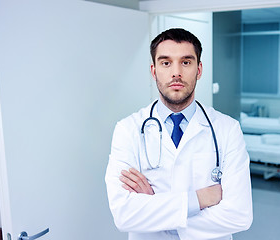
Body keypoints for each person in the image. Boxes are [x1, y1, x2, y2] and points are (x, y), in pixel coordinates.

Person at [105, 28, 253, 240]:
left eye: (186, 62)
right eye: (166, 63)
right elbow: (124, 214)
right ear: (154, 71)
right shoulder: (127, 129)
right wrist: (200, 199)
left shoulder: (227, 129)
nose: (176, 72)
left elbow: (240, 215)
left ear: (199, 69)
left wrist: (157, 212)